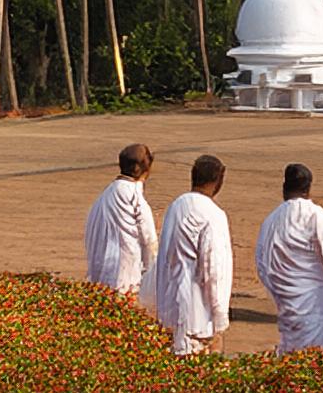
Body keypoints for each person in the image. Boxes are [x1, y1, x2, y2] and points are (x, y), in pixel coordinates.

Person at [144, 154, 233, 357]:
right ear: (219, 180)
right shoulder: (213, 215)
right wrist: (220, 316)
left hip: (170, 307)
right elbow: (214, 269)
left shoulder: (176, 207)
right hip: (199, 314)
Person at [254, 161, 323, 354]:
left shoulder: (270, 221)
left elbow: (262, 266)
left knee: (292, 370)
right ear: (308, 188)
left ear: (284, 188)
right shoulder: (319, 217)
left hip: (288, 313)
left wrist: (282, 294)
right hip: (320, 314)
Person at [82, 143, 160, 297]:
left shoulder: (105, 196)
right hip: (125, 281)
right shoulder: (134, 197)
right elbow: (150, 244)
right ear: (146, 168)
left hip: (99, 280)